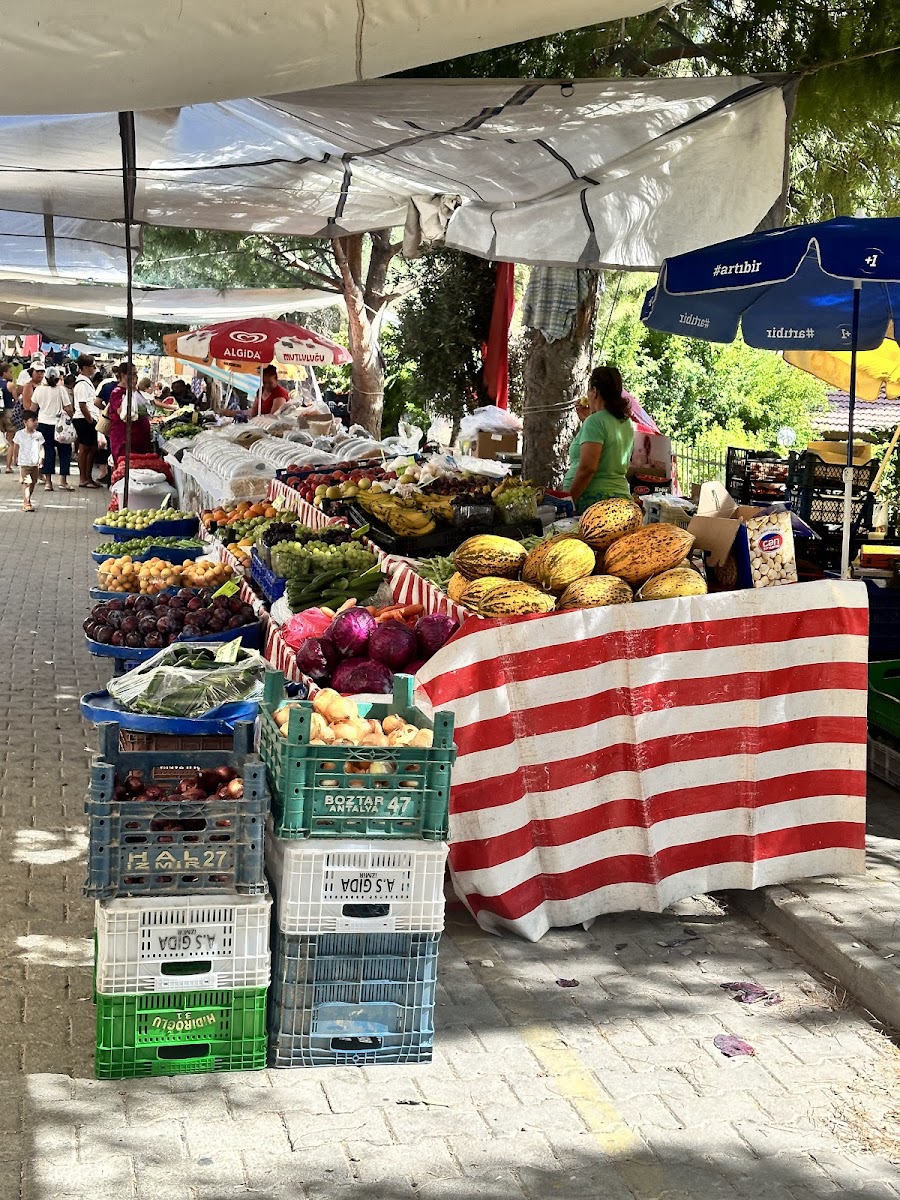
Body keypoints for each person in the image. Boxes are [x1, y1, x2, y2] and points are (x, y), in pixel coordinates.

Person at [563, 365, 635, 513]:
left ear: (595, 392)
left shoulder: (595, 421)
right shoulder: (625, 421)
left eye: (589, 390)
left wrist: (570, 500)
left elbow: (588, 468)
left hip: (594, 500)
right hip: (619, 498)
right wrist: (588, 419)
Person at [27, 365, 75, 491]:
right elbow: (69, 408)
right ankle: (63, 481)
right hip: (60, 426)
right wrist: (71, 417)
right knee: (65, 451)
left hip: (43, 424)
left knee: (48, 452)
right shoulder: (61, 390)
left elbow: (32, 409)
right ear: (58, 378)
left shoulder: (38, 390)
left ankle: (48, 482)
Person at [108, 362, 153, 463]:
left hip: (138, 439)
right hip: (125, 440)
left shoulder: (134, 392)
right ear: (124, 376)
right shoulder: (118, 393)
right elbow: (122, 412)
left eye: (136, 374)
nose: (136, 377)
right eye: (133, 374)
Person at [73, 352, 101, 488]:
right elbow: (82, 405)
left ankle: (88, 477)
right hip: (84, 419)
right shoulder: (82, 384)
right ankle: (84, 478)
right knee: (85, 449)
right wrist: (90, 420)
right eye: (92, 366)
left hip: (88, 418)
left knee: (92, 448)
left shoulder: (86, 382)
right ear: (84, 367)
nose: (94, 369)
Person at [14, 411, 44, 511]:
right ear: (25, 422)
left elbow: (41, 448)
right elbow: (16, 447)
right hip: (24, 463)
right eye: (33, 420)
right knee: (26, 483)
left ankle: (28, 499)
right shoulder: (19, 434)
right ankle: (26, 503)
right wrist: (15, 458)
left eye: (36, 420)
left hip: (34, 463)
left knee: (33, 482)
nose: (36, 422)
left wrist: (41, 458)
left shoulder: (38, 435)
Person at [0, 361, 18, 472]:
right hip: (8, 412)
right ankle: (8, 466)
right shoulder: (10, 385)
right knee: (10, 440)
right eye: (10, 372)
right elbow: (16, 400)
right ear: (4, 373)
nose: (11, 374)